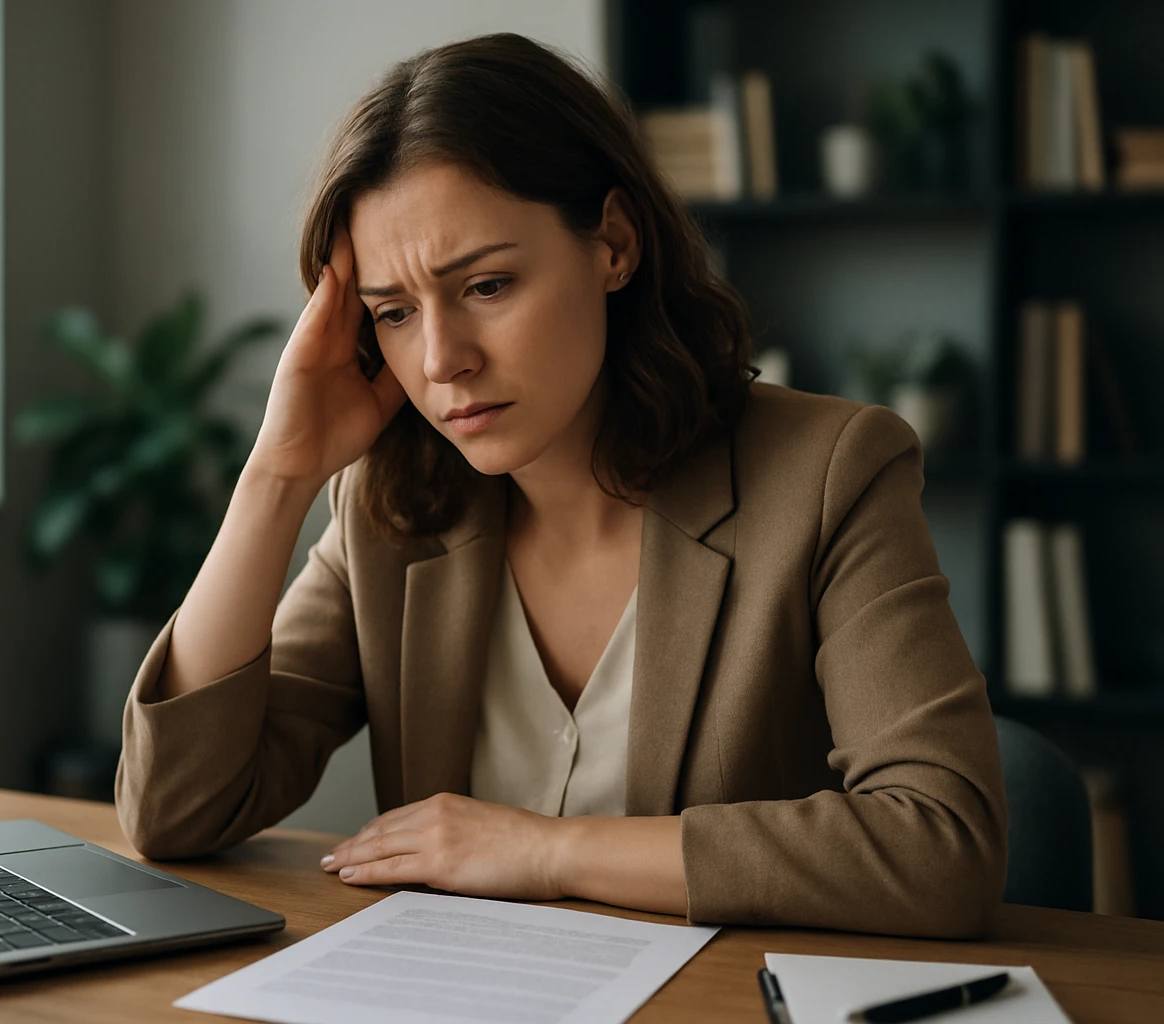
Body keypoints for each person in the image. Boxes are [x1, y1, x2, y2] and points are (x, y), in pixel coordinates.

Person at [115, 32, 1006, 938]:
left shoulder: (829, 472)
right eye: (394, 312)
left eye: (487, 285)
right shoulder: (389, 510)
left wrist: (548, 851)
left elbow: (942, 846)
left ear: (613, 243)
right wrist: (277, 476)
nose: (442, 360)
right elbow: (173, 810)